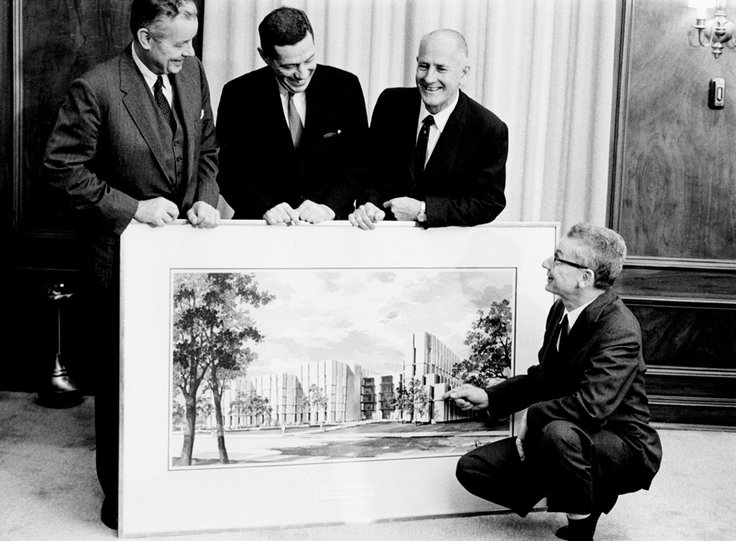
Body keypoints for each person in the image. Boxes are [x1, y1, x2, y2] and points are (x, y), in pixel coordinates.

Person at [42, 0, 220, 529]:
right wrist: (133, 208)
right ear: (145, 38)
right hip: (117, 259)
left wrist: (206, 195)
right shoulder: (96, 87)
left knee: (175, 376)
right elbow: (61, 167)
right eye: (178, 44)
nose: (190, 54)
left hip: (179, 260)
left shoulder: (192, 73)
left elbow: (207, 148)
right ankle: (120, 495)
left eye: (192, 42)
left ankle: (172, 484)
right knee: (123, 379)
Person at [442, 223, 662, 541]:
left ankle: (581, 525)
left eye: (558, 259)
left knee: (558, 434)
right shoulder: (561, 310)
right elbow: (543, 379)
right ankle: (575, 486)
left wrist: (533, 416)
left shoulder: (620, 328)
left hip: (622, 444)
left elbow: (593, 407)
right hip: (565, 435)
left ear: (585, 277)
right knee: (474, 468)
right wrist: (489, 397)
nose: (547, 263)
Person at [216, 6, 369, 225]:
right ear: (265, 56)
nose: (302, 74)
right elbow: (228, 171)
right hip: (262, 227)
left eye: (309, 60)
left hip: (330, 227)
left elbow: (360, 164)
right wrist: (263, 207)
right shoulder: (238, 94)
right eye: (289, 66)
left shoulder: (345, 86)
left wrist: (328, 207)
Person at [348, 29, 507, 230]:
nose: (429, 78)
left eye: (441, 69)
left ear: (463, 74)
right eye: (424, 66)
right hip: (384, 240)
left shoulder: (488, 129)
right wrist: (369, 203)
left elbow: (488, 203)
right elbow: (370, 172)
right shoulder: (391, 104)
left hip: (444, 248)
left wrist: (423, 210)